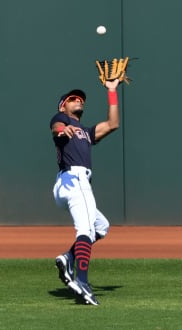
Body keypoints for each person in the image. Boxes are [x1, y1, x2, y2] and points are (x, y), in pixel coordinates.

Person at [50, 79, 121, 305]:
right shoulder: (61, 118)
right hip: (74, 179)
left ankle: (68, 257)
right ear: (63, 106)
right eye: (72, 99)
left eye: (80, 99)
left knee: (101, 227)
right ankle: (82, 282)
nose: (78, 100)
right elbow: (56, 128)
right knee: (85, 229)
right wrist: (63, 129)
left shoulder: (86, 133)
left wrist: (111, 91)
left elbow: (112, 124)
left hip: (72, 183)